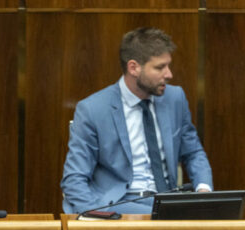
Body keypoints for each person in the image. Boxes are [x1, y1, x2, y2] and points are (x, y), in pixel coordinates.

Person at [61, 27, 213, 214]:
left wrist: (204, 191)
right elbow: (74, 178)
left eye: (168, 65)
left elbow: (193, 153)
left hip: (168, 202)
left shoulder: (175, 98)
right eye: (159, 67)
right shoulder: (93, 109)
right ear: (133, 68)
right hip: (119, 205)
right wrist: (96, 216)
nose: (169, 74)